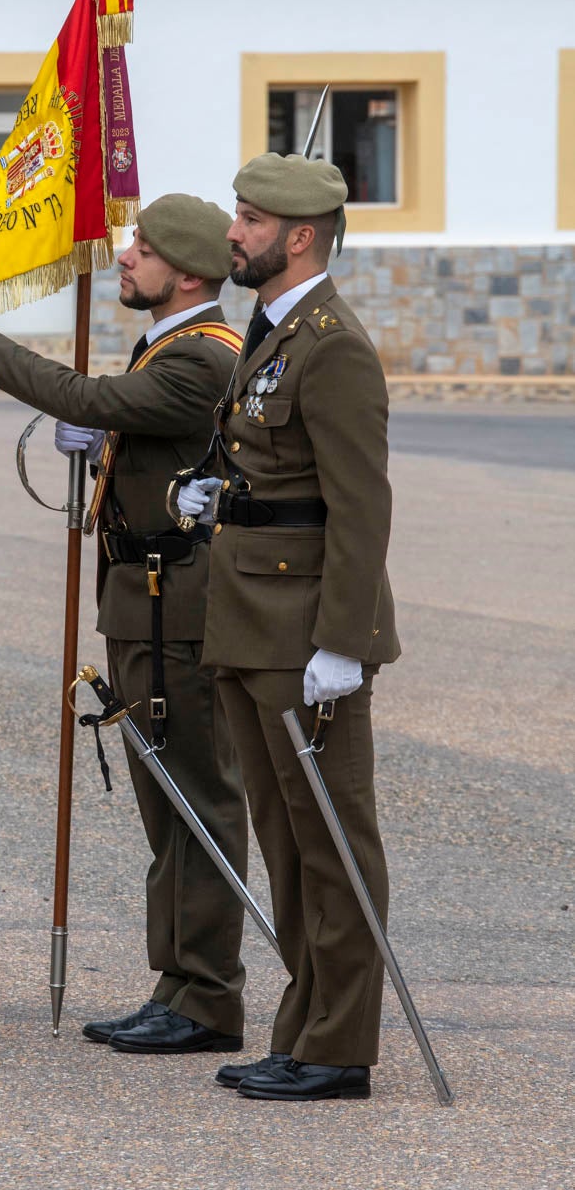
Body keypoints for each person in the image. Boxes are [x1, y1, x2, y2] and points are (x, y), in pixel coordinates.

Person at [0, 194, 250, 1055]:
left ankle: (211, 995)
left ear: (186, 273)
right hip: (143, 605)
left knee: (199, 802)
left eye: (142, 247)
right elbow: (119, 412)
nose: (125, 255)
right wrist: (103, 436)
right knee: (163, 803)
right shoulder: (169, 346)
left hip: (178, 613)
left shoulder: (205, 356)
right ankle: (177, 982)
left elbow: (91, 391)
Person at [177, 152, 400, 1101]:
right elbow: (278, 471)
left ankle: (340, 1045)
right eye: (239, 214)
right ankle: (302, 1026)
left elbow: (360, 505)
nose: (233, 230)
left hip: (305, 632)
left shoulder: (332, 342)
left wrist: (343, 642)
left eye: (250, 219)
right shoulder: (274, 331)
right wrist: (214, 492)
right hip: (251, 621)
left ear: (297, 236)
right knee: (284, 840)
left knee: (333, 842)